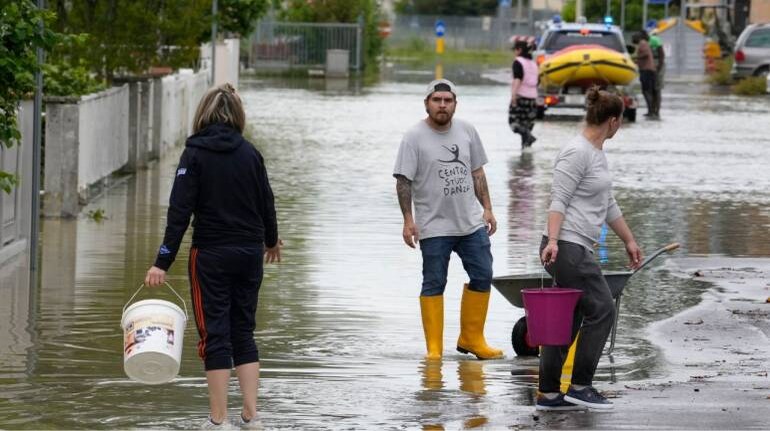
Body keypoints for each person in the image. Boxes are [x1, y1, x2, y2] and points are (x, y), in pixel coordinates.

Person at [144, 83, 281, 429]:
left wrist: (163, 262)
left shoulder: (194, 154)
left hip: (211, 255)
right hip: (250, 253)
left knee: (215, 335)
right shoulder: (251, 153)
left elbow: (180, 212)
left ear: (202, 114)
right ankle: (251, 416)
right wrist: (272, 242)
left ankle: (218, 421)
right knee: (243, 332)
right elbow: (267, 201)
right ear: (238, 116)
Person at [536, 86, 643, 411]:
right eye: (620, 121)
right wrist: (553, 241)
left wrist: (629, 240)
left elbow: (607, 203)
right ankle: (581, 385)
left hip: (574, 246)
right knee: (603, 309)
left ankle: (550, 394)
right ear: (613, 121)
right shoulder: (577, 151)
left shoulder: (596, 153)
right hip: (565, 246)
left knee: (568, 318)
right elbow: (558, 199)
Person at [393, 79, 503, 362]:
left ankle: (472, 338)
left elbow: (477, 172)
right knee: (433, 283)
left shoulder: (467, 130)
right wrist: (408, 220)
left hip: (470, 223)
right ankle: (434, 349)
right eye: (437, 100)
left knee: (483, 275)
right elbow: (403, 181)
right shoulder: (413, 136)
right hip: (433, 225)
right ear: (427, 103)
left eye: (448, 100)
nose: (442, 105)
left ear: (455, 103)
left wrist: (488, 208)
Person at [508, 38, 539, 147]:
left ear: (519, 50)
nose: (514, 53)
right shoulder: (533, 64)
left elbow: (517, 79)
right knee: (527, 126)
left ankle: (529, 137)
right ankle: (525, 156)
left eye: (515, 50)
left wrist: (513, 96)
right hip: (533, 99)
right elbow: (537, 81)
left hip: (521, 97)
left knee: (514, 123)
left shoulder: (518, 62)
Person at [632, 32, 657, 118]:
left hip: (647, 70)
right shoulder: (643, 43)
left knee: (646, 91)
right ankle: (651, 110)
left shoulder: (642, 43)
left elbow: (645, 54)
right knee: (647, 91)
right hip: (648, 70)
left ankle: (651, 111)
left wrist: (636, 57)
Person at [648, 29, 665, 118]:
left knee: (657, 90)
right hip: (653, 67)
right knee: (653, 90)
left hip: (658, 67)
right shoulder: (651, 40)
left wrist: (658, 67)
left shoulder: (655, 40)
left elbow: (662, 55)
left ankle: (656, 111)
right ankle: (652, 110)